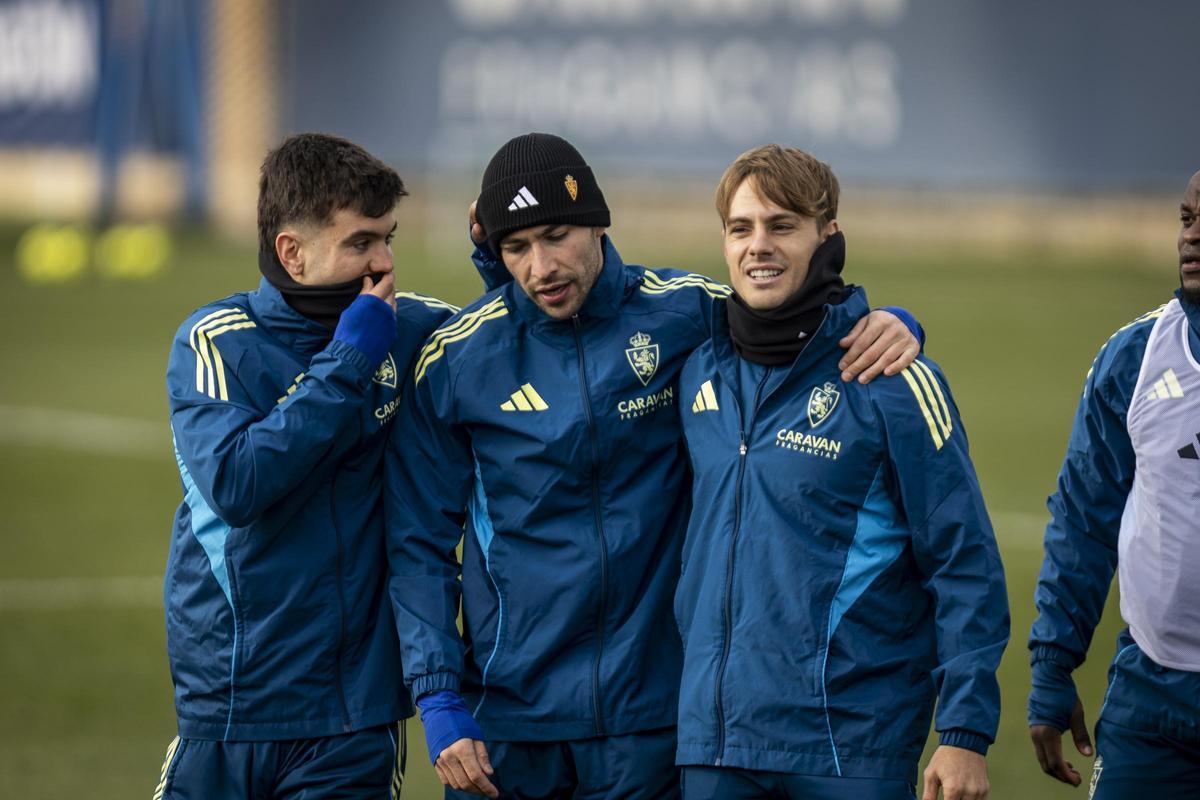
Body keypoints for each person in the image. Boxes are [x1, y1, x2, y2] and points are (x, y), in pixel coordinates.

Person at [384, 132, 923, 799]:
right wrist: (438, 699)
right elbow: (417, 543)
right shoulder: (459, 360)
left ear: (599, 224)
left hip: (655, 721)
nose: (541, 266)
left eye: (557, 236)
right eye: (516, 247)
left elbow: (798, 322)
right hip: (505, 724)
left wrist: (894, 322)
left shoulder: (687, 312)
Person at [672, 145, 1009, 800]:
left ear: (828, 236)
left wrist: (964, 730)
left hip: (848, 746)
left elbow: (962, 561)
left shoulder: (892, 381)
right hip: (715, 744)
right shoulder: (699, 366)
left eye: (781, 225)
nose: (757, 246)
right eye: (740, 229)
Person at [156, 133, 454, 799]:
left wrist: (505, 276)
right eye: (360, 243)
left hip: (351, 719)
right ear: (292, 251)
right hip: (229, 707)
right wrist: (350, 360)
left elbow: (516, 342)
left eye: (388, 238)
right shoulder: (216, 342)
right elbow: (238, 484)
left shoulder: (417, 333)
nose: (384, 262)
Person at [1027, 171, 1200, 798]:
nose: (1192, 237)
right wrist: (1052, 664)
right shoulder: (1135, 358)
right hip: (1150, 700)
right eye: (1185, 219)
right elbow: (1082, 521)